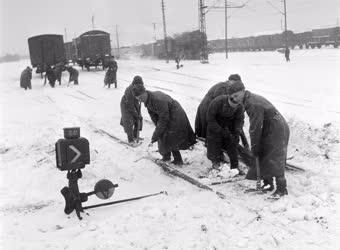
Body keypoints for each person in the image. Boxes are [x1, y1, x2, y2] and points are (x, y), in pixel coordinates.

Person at [227, 81, 290, 197]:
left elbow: (255, 127)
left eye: (236, 95)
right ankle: (268, 183)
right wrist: (257, 147)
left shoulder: (252, 103)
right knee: (264, 154)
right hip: (270, 127)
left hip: (277, 129)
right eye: (232, 97)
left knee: (275, 157)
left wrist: (255, 146)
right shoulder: (248, 100)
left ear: (242, 91)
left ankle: (282, 189)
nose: (235, 99)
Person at [133, 85, 196, 165]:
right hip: (168, 114)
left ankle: (177, 160)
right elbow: (154, 116)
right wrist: (158, 129)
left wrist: (157, 133)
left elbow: (163, 119)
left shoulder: (158, 99)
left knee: (171, 136)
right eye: (138, 99)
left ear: (144, 92)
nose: (140, 100)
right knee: (163, 134)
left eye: (141, 98)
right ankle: (166, 157)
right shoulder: (147, 100)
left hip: (175, 114)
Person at [195, 74, 242, 139]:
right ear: (231, 81)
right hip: (207, 105)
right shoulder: (223, 87)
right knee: (208, 124)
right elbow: (218, 102)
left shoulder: (228, 86)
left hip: (210, 105)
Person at [206, 93, 245, 171]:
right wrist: (220, 130)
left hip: (230, 125)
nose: (232, 108)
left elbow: (239, 120)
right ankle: (215, 163)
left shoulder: (240, 106)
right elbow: (210, 119)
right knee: (214, 143)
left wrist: (237, 130)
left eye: (234, 107)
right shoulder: (217, 102)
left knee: (233, 143)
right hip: (216, 124)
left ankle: (234, 166)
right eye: (231, 106)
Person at [120, 76, 144, 144]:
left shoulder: (140, 86)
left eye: (141, 84)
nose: (140, 86)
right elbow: (130, 106)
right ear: (135, 84)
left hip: (135, 102)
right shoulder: (129, 91)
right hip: (126, 104)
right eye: (138, 84)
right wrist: (136, 114)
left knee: (139, 118)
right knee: (129, 121)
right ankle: (130, 139)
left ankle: (135, 135)